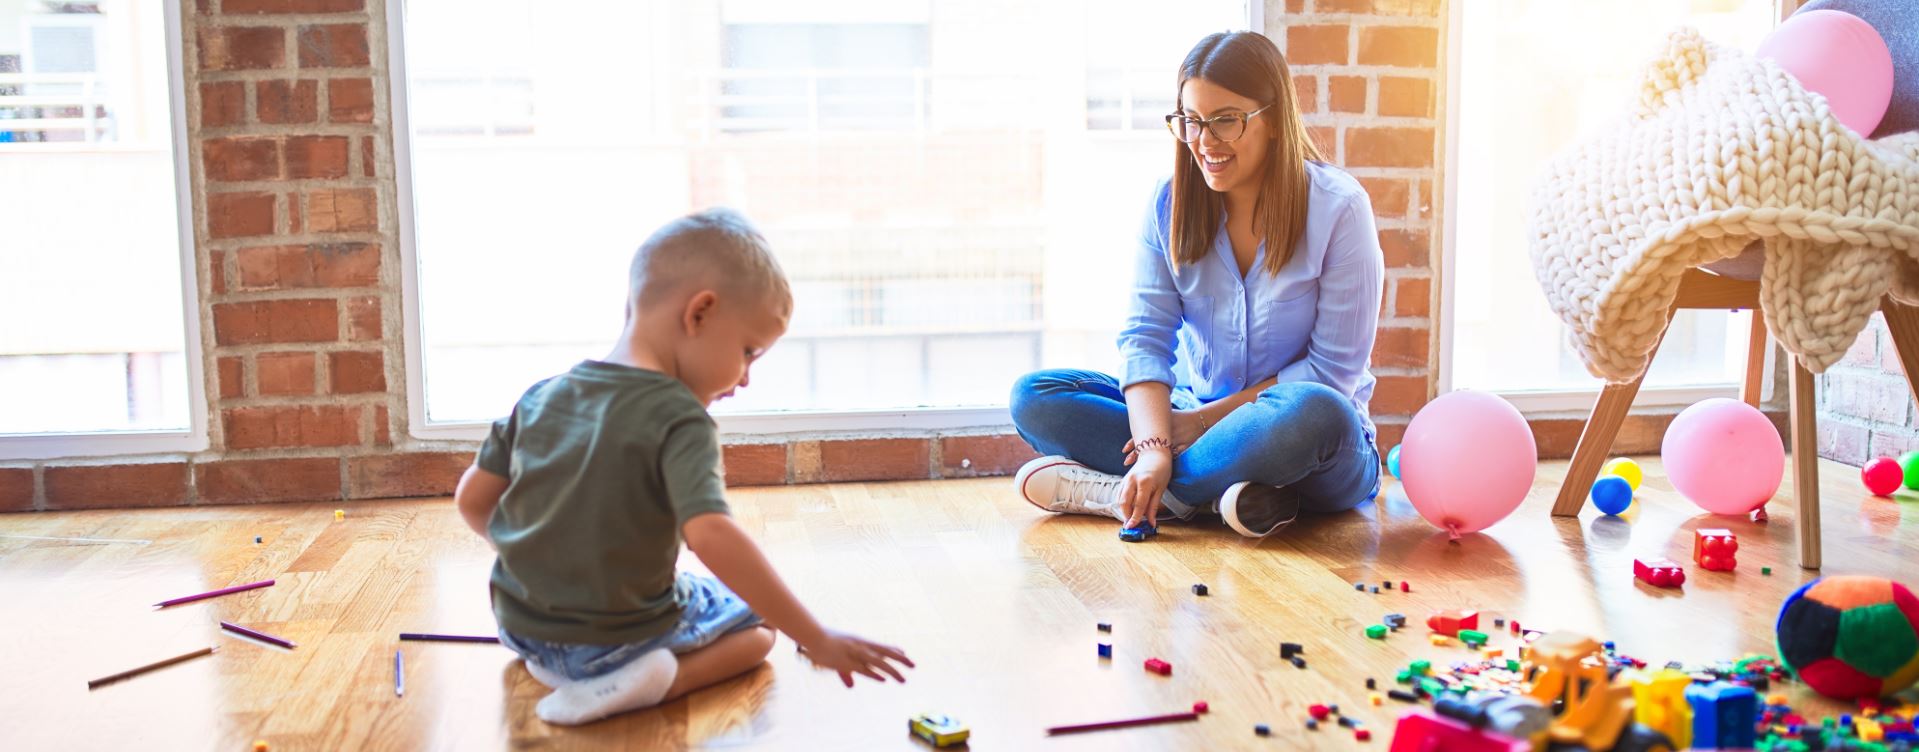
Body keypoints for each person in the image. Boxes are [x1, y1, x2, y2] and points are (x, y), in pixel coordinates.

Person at [453, 208, 913, 725]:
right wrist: (818, 637)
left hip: (522, 627)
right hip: (615, 643)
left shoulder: (540, 398)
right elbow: (712, 536)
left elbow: (472, 502)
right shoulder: (679, 417)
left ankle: (563, 670)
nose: (744, 379)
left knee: (687, 596)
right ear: (699, 314)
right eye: (748, 351)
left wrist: (544, 563)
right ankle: (654, 680)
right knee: (759, 625)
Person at [1010, 31, 1384, 539]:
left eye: (1225, 120)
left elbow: (1329, 374)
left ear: (1273, 119)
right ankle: (1229, 496)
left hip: (1313, 445)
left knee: (1312, 413)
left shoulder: (1339, 208)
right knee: (1036, 395)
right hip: (1185, 424)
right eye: (1190, 120)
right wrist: (1154, 446)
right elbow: (1145, 341)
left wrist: (1196, 427)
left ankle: (1137, 495)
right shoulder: (1168, 205)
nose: (1204, 142)